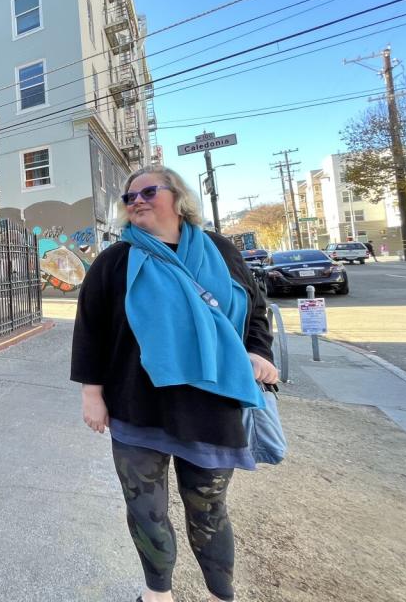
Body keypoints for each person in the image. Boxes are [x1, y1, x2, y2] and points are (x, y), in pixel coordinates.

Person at [71, 165, 279, 602]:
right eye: (130, 198)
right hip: (136, 405)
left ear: (177, 197)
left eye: (148, 191)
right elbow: (90, 328)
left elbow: (255, 310)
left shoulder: (220, 251)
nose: (138, 201)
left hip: (212, 405)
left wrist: (259, 352)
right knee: (146, 512)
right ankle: (157, 592)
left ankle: (221, 591)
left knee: (208, 510)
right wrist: (92, 394)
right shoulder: (117, 259)